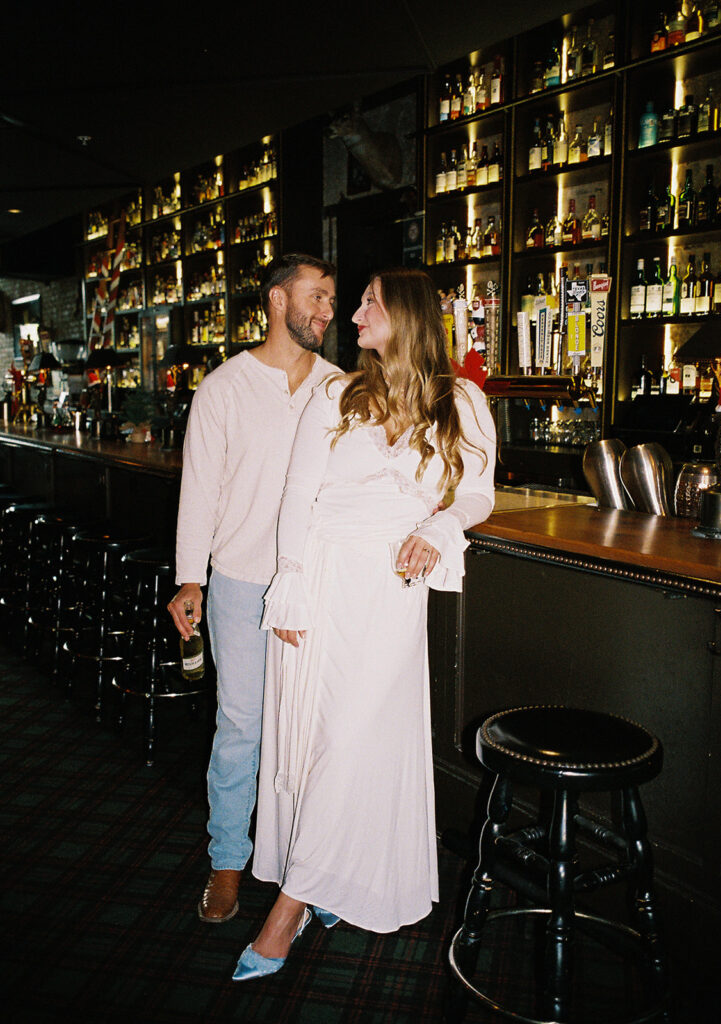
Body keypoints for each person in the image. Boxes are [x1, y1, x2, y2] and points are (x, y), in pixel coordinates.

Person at [233, 267, 496, 980]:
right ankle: (329, 880)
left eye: (369, 303)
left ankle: (287, 910)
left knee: (350, 740)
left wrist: (440, 529)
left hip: (390, 586)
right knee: (319, 741)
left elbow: (477, 493)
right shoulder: (337, 392)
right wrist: (288, 586)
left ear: (406, 314)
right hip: (320, 577)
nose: (352, 315)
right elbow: (297, 497)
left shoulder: (463, 401)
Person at [167, 253, 338, 924]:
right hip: (238, 582)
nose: (327, 310)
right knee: (241, 727)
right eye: (316, 296)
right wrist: (190, 580)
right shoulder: (225, 387)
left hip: (315, 587)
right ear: (276, 300)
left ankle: (310, 869)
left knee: (310, 733)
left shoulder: (339, 388)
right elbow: (199, 490)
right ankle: (227, 863)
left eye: (332, 299)